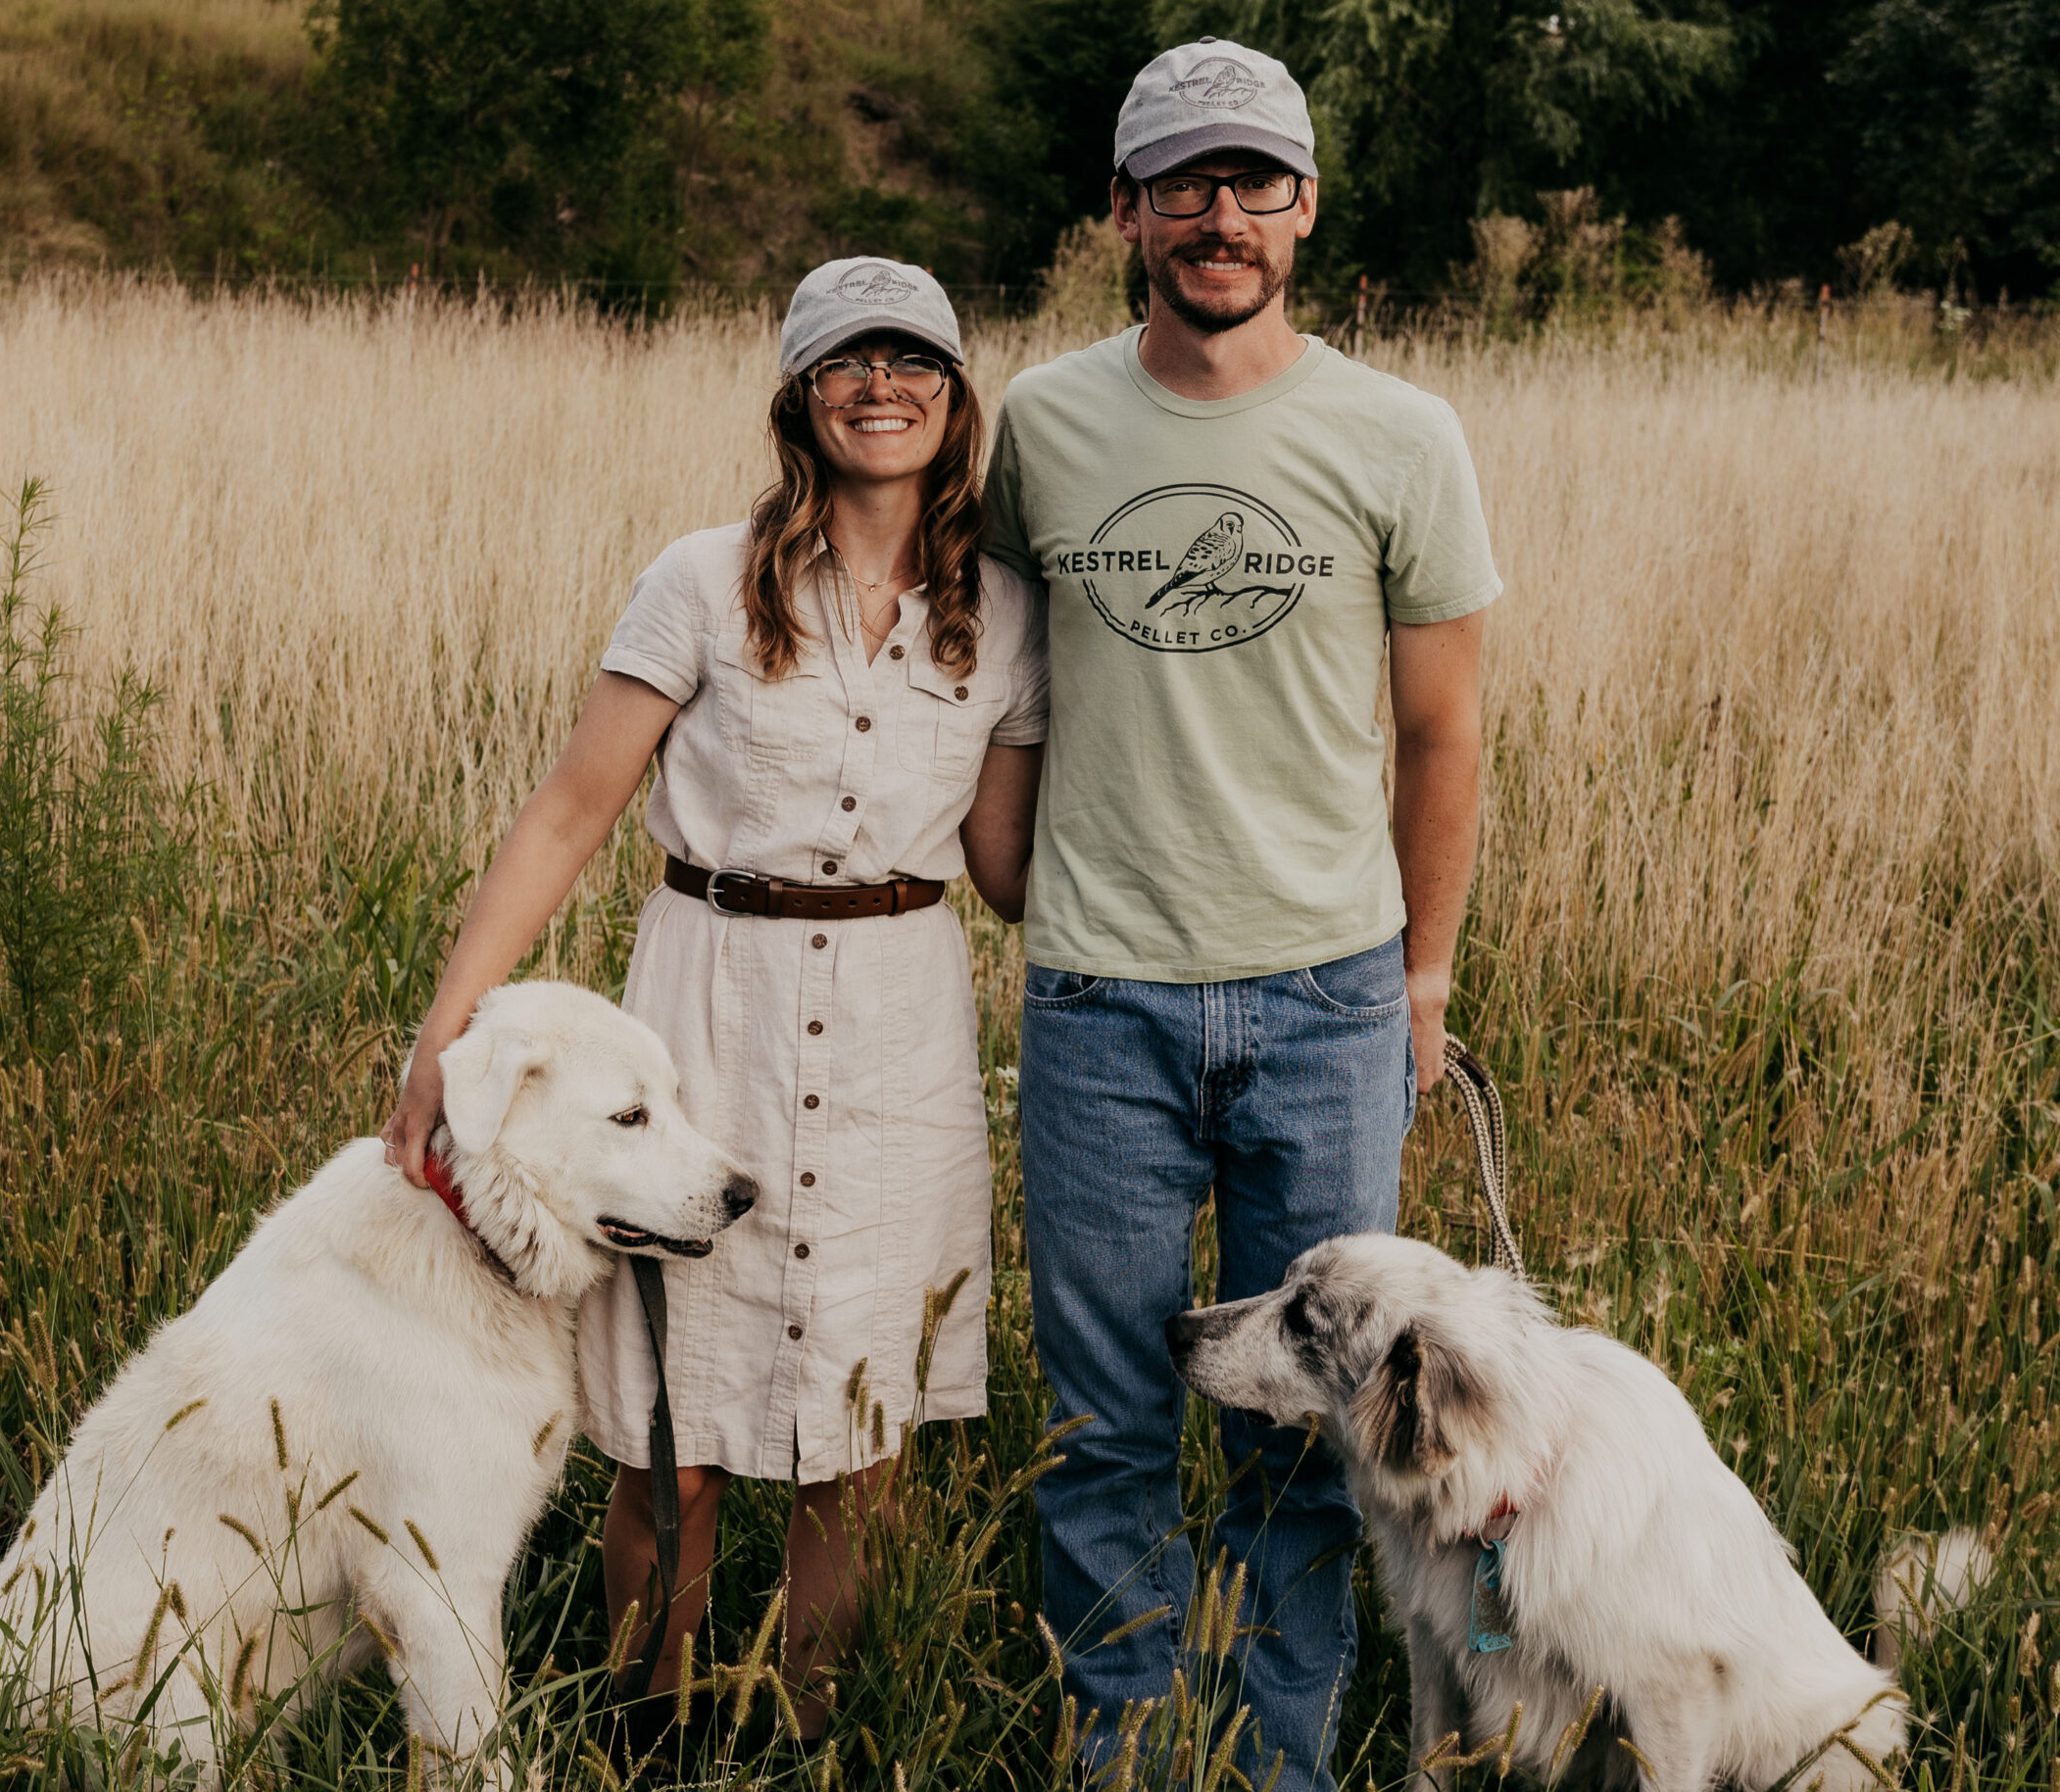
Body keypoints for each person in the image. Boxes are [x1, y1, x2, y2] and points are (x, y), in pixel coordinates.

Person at [379, 257, 1048, 1744]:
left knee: (856, 1446)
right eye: (848, 360)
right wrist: (449, 1039)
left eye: (914, 359)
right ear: (800, 396)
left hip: (899, 1030)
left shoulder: (1002, 614)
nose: (884, 384)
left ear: (956, 395)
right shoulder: (699, 577)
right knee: (669, 1439)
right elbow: (567, 813)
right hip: (704, 1021)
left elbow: (1007, 870)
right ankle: (649, 1723)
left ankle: (799, 1728)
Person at [979, 38, 1497, 1790]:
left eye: (1255, 181)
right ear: (1123, 209)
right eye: (1184, 182)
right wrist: (1001, 874)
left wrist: (1422, 971)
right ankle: (1127, 1756)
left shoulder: (1399, 434)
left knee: (1318, 1427)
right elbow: (994, 678)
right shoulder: (1042, 423)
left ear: (1306, 207)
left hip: (1328, 1003)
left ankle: (1278, 1765)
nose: (1221, 216)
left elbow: (1443, 728)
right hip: (1102, 1000)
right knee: (1108, 1419)